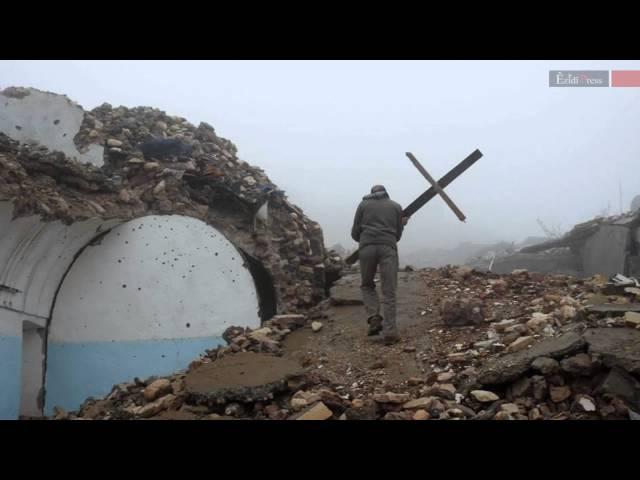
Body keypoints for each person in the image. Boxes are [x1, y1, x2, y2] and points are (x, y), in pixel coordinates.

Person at [351, 185, 408, 345]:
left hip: (367, 248)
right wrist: (402, 224)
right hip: (388, 248)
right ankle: (390, 332)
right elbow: (397, 236)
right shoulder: (396, 207)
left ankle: (374, 317)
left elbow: (355, 232)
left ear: (371, 194)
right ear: (386, 193)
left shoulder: (363, 205)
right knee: (389, 291)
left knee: (367, 285)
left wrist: (365, 238)